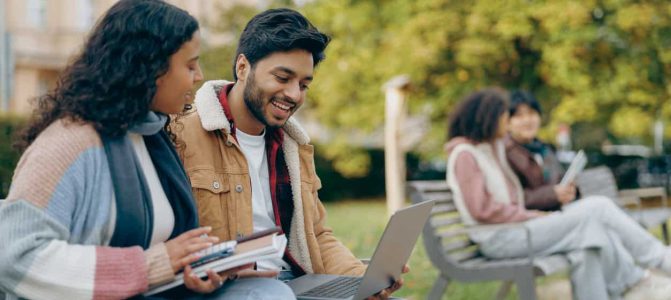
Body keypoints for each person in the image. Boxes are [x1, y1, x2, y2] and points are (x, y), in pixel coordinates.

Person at [0, 1, 294, 299]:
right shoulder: (68, 143)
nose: (198, 75)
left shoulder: (151, 136)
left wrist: (202, 267)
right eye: (190, 65)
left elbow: (161, 255)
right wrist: (148, 266)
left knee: (269, 292)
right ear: (150, 68)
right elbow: (14, 256)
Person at [172, 8, 405, 299]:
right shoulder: (180, 135)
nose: (294, 95)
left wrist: (362, 280)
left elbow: (317, 237)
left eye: (304, 85)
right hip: (228, 290)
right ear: (243, 68)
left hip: (296, 284)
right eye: (283, 78)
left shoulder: (293, 147)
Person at [445, 87, 671, 300]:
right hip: (501, 239)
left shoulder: (488, 151)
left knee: (588, 245)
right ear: (488, 117)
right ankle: (654, 265)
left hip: (514, 232)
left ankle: (637, 280)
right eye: (506, 116)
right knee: (597, 208)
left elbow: (511, 200)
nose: (507, 122)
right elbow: (483, 210)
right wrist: (533, 216)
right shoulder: (465, 155)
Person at [504, 90, 576, 211]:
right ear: (507, 123)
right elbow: (512, 198)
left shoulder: (546, 150)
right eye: (519, 116)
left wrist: (571, 191)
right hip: (529, 221)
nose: (527, 120)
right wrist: (553, 194)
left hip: (557, 213)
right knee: (600, 206)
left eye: (532, 113)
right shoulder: (505, 153)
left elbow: (559, 180)